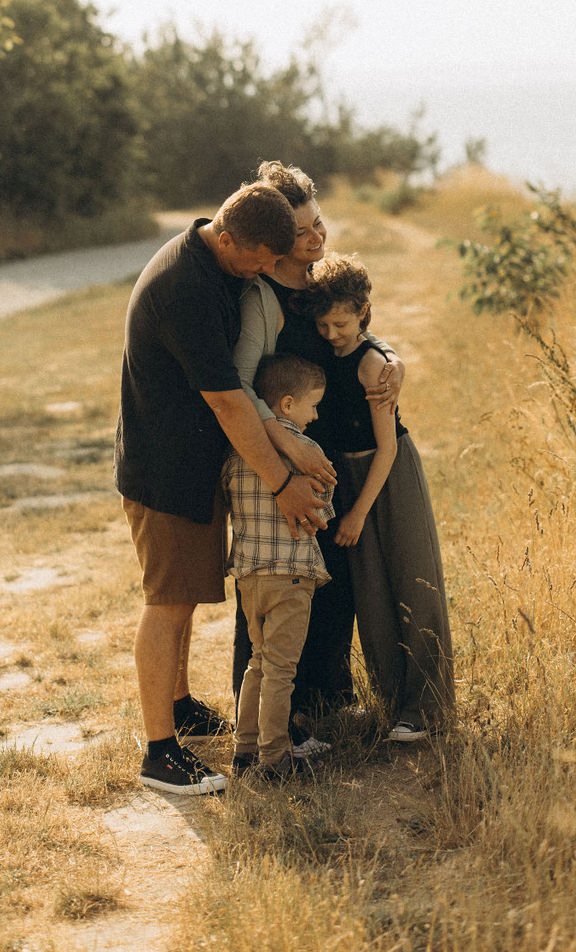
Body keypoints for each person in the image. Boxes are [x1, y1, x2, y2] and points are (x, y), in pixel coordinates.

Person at [115, 183, 331, 795]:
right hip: (164, 468)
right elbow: (230, 402)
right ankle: (160, 753)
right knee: (167, 603)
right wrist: (283, 482)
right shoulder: (185, 287)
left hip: (192, 462)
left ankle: (180, 706)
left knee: (183, 594)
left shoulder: (215, 259)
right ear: (229, 238)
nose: (261, 273)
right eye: (258, 261)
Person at [231, 161, 404, 721]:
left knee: (330, 577)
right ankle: (269, 716)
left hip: (328, 454)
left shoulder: (320, 280)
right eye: (301, 232)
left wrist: (390, 356)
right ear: (276, 236)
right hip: (278, 451)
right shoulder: (261, 297)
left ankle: (326, 701)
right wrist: (287, 448)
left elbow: (355, 327)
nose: (316, 239)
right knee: (275, 578)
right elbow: (241, 385)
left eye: (319, 224)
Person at [295, 252, 455, 741]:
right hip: (347, 476)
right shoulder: (328, 354)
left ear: (363, 311)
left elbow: (387, 448)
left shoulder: (372, 366)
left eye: (341, 324)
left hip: (387, 476)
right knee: (371, 591)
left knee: (413, 581)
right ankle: (392, 702)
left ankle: (428, 707)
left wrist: (358, 514)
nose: (331, 333)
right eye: (323, 325)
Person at [224, 353, 334, 780]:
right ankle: (274, 758)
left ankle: (244, 750)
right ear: (287, 404)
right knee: (281, 671)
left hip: (250, 576)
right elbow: (320, 513)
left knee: (258, 662)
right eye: (313, 405)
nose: (316, 415)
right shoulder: (307, 453)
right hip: (291, 575)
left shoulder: (239, 450)